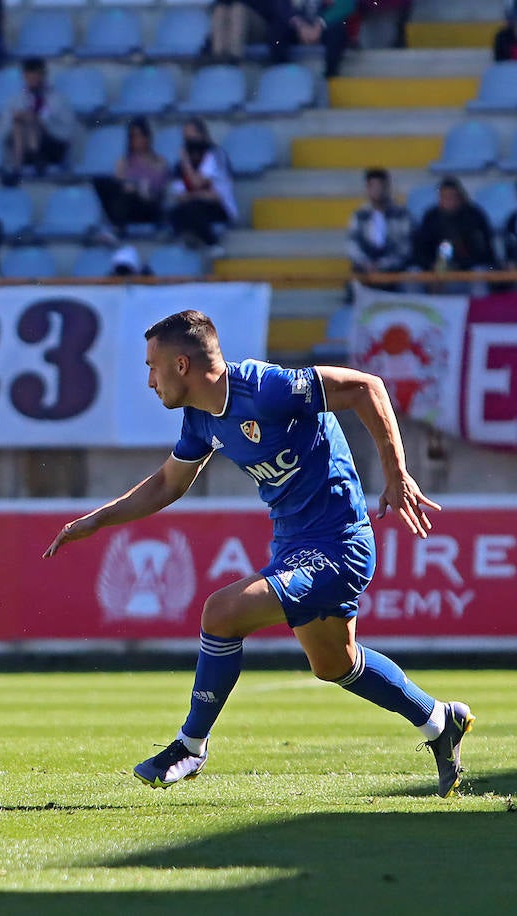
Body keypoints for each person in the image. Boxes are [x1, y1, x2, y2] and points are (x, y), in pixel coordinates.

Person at [43, 310, 473, 797]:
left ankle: (190, 744)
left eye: (152, 367)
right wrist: (96, 520)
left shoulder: (265, 389)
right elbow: (168, 482)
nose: (149, 380)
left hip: (339, 543)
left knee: (222, 612)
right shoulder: (200, 417)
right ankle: (440, 721)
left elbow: (366, 387)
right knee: (334, 663)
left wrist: (396, 476)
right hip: (292, 543)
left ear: (181, 365)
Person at [167, 118, 237, 252]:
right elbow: (180, 196)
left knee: (193, 208)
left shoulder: (216, 155)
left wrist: (186, 162)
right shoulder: (179, 165)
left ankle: (212, 244)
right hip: (196, 204)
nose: (189, 142)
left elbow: (197, 183)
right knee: (176, 212)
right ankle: (189, 239)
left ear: (203, 136)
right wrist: (197, 195)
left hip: (221, 207)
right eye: (185, 138)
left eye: (191, 136)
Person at [93, 118, 169, 238]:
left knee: (130, 195)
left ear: (147, 137)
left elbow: (159, 192)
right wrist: (129, 187)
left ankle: (115, 230)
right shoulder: (124, 162)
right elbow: (118, 186)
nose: (137, 140)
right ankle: (115, 228)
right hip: (129, 205)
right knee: (103, 184)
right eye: (133, 137)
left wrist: (140, 188)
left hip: (148, 205)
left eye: (139, 136)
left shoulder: (159, 162)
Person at [2, 58, 75, 180]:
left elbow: (67, 132)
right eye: (29, 78)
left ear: (43, 76)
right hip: (24, 147)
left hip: (51, 147)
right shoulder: (16, 100)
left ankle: (23, 164)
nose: (33, 81)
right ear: (25, 77)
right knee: (19, 122)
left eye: (36, 77)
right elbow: (5, 131)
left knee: (31, 119)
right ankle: (20, 165)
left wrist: (40, 121)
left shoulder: (57, 99)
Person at [411, 177, 496, 276]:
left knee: (479, 272)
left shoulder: (474, 216)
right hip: (437, 270)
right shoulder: (431, 217)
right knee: (414, 273)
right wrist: (431, 264)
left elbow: (484, 251)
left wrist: (460, 265)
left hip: (470, 268)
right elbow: (422, 249)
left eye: (452, 196)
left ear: (460, 197)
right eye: (444, 197)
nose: (449, 201)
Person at [347, 168, 412, 279]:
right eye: (373, 186)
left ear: (388, 187)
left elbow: (404, 249)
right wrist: (366, 264)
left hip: (394, 271)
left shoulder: (401, 214)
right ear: (367, 188)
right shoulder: (359, 215)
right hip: (365, 270)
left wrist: (382, 266)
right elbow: (352, 245)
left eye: (381, 186)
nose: (377, 190)